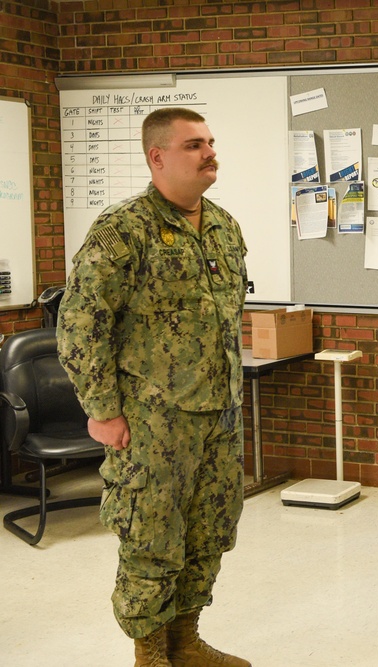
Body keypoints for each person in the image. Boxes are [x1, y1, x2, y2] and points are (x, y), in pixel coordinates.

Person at [57, 107, 252, 667]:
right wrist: (102, 410)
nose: (210, 152)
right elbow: (79, 323)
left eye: (211, 141)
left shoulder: (222, 226)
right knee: (151, 539)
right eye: (194, 145)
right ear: (157, 157)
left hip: (218, 416)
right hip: (151, 423)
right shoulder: (124, 230)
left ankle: (184, 641)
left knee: (209, 532)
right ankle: (150, 654)